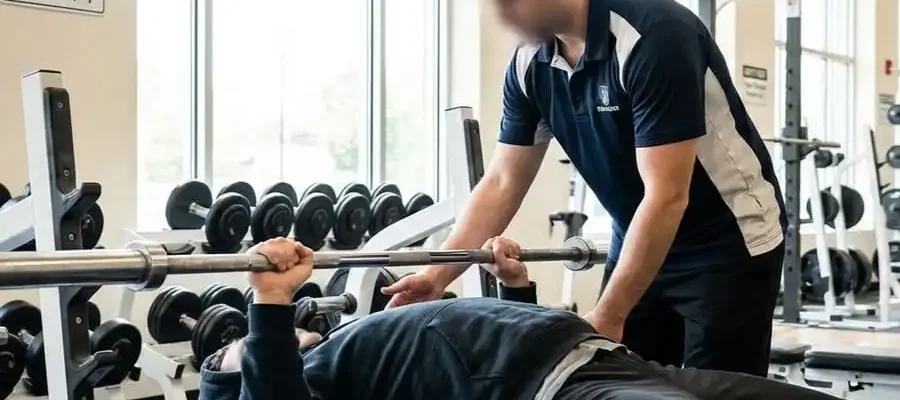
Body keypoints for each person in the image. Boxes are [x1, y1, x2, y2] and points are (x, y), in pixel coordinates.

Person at [381, 0, 786, 377]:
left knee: (714, 388)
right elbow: (502, 183)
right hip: (638, 234)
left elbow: (667, 196)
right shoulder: (529, 64)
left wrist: (610, 313)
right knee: (624, 383)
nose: (502, 15)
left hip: (726, 241)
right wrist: (437, 276)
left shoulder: (656, 36)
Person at [199, 238, 834, 400]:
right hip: (559, 389)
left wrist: (516, 287)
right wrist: (268, 303)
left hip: (601, 357)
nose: (239, 342)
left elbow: (495, 346)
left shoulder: (347, 347)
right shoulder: (306, 375)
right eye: (231, 351)